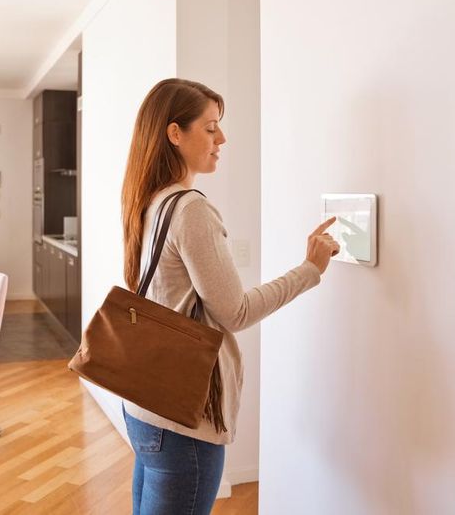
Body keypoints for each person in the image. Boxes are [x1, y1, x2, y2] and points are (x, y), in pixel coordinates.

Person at [120, 78, 340, 515]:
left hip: (143, 404)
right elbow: (235, 312)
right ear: (175, 133)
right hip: (182, 419)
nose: (222, 138)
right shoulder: (190, 209)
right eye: (210, 127)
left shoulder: (149, 202)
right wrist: (310, 269)